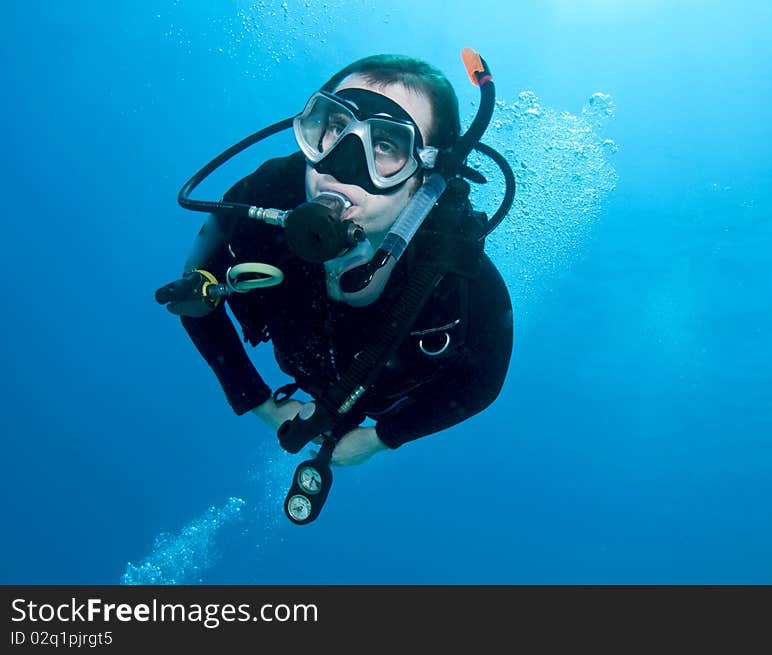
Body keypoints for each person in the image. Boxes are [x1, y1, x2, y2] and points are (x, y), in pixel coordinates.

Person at [157, 54, 513, 468]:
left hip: (382, 396)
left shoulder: (454, 272)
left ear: (427, 175)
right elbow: (193, 293)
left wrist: (379, 438)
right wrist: (261, 405)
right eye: (337, 126)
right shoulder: (266, 197)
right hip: (304, 364)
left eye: (384, 145)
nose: (341, 166)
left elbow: (483, 382)